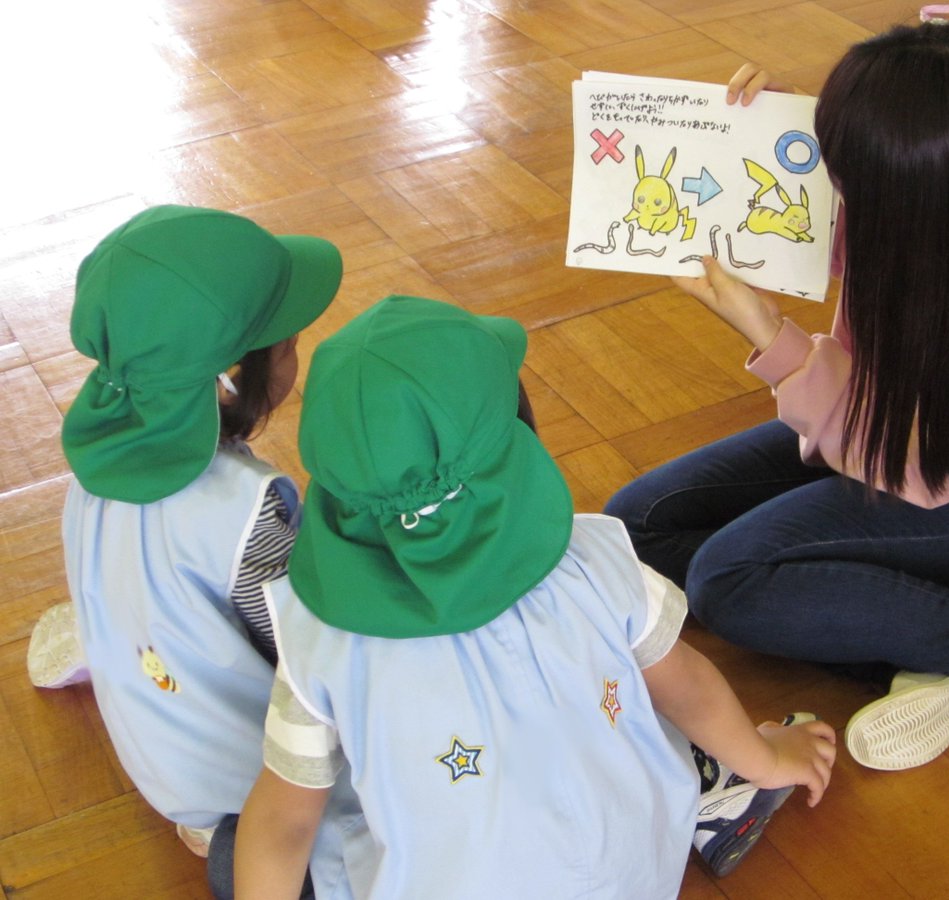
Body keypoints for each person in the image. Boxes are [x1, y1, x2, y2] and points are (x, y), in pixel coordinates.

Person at [603, 22, 949, 810]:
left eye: (851, 176)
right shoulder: (923, 202)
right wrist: (744, 139)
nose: (837, 193)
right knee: (636, 525)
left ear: (918, 189)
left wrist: (766, 334)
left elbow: (920, 468)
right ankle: (921, 650)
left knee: (730, 578)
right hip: (870, 414)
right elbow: (786, 229)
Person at [232, 296, 838, 899]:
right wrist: (766, 760)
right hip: (636, 880)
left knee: (292, 832)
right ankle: (720, 801)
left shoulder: (319, 641)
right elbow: (689, 687)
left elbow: (284, 819)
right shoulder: (597, 561)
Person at [26, 204, 362, 898]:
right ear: (241, 373)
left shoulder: (96, 464)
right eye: (290, 338)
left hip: (161, 757)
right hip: (250, 786)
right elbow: (314, 663)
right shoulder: (248, 511)